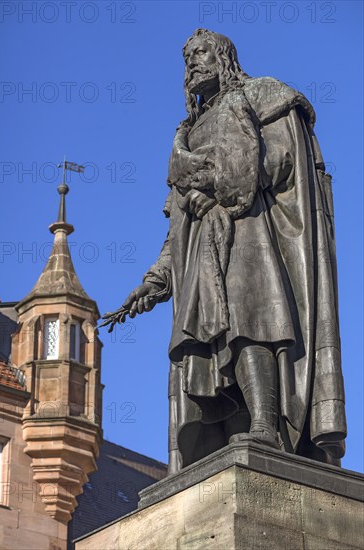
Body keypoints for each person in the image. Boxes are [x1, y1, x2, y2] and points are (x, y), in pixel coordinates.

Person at [103, 29, 347, 474]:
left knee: (250, 323)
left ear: (224, 56)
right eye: (186, 58)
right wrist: (155, 281)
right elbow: (177, 228)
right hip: (203, 254)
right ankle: (240, 431)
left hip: (253, 236)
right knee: (213, 343)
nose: (192, 63)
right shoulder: (187, 133)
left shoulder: (264, 95)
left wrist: (215, 190)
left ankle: (266, 425)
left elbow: (282, 163)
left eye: (200, 53)